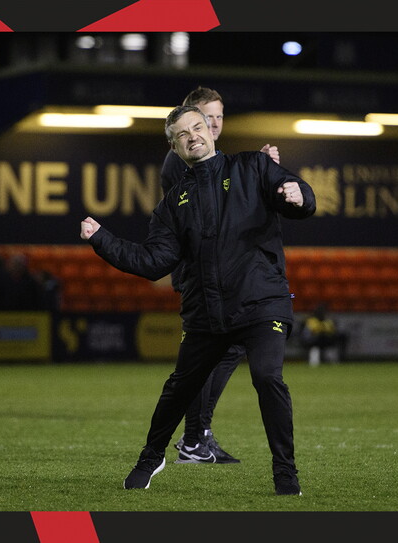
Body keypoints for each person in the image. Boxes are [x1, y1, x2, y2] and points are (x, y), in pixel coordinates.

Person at [80, 104, 316, 494]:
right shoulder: (173, 203)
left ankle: (285, 473)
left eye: (197, 127)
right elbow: (154, 262)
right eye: (182, 135)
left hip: (262, 302)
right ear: (175, 148)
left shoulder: (252, 167)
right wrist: (102, 240)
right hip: (207, 313)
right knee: (179, 389)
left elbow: (296, 196)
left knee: (267, 376)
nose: (193, 137)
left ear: (210, 129)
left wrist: (299, 194)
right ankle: (151, 458)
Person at [160, 86, 282, 465]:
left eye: (218, 117)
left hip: (220, 274)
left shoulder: (212, 158)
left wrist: (264, 173)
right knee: (210, 358)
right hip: (203, 276)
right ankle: (194, 437)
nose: (213, 124)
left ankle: (197, 436)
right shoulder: (182, 160)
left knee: (220, 354)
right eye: (205, 117)